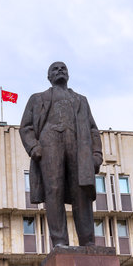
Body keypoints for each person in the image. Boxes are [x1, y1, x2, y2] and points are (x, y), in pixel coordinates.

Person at [19, 61, 103, 247]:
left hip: (78, 147)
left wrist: (96, 154)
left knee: (82, 192)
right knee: (53, 191)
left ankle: (88, 242)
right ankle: (59, 241)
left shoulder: (81, 100)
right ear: (49, 77)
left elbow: (92, 129)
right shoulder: (37, 98)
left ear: (68, 74)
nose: (59, 71)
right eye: (55, 69)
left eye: (63, 68)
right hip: (49, 145)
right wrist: (34, 147)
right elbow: (25, 127)